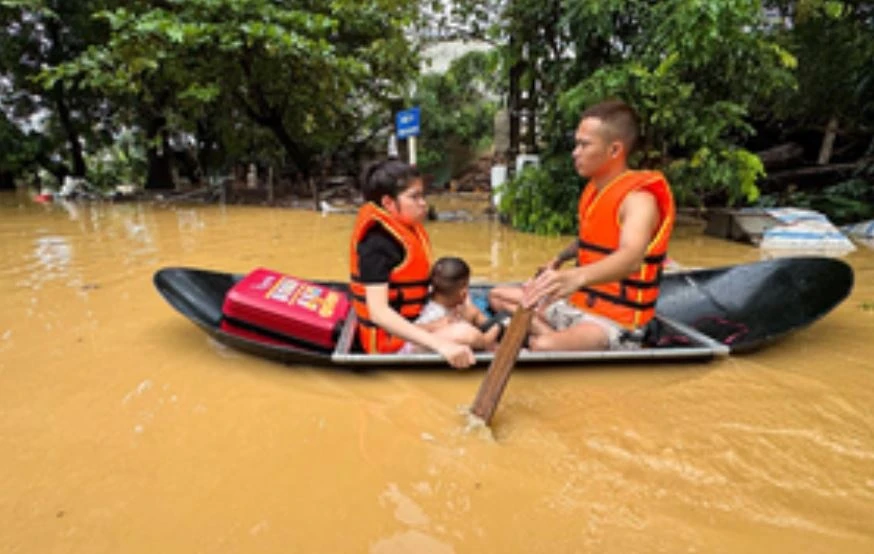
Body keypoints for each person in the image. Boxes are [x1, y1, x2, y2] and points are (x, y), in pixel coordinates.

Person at [489, 99, 676, 351]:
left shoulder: (639, 200)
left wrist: (575, 277)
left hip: (612, 322)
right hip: (578, 303)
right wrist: (558, 260)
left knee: (544, 347)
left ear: (614, 150)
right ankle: (550, 332)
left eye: (584, 145)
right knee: (497, 296)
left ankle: (546, 338)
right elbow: (591, 240)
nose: (575, 152)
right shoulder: (594, 190)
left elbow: (631, 257)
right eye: (576, 144)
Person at [348, 159, 477, 369]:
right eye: (414, 197)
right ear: (388, 203)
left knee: (470, 309)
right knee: (465, 333)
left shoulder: (407, 229)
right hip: (388, 344)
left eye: (422, 195)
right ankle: (494, 348)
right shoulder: (376, 244)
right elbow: (378, 313)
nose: (423, 203)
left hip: (414, 320)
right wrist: (442, 345)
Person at [411, 256, 503, 351]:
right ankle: (487, 340)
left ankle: (489, 326)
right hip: (431, 340)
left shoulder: (433, 295)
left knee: (470, 310)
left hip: (440, 326)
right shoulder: (434, 315)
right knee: (468, 332)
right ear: (463, 293)